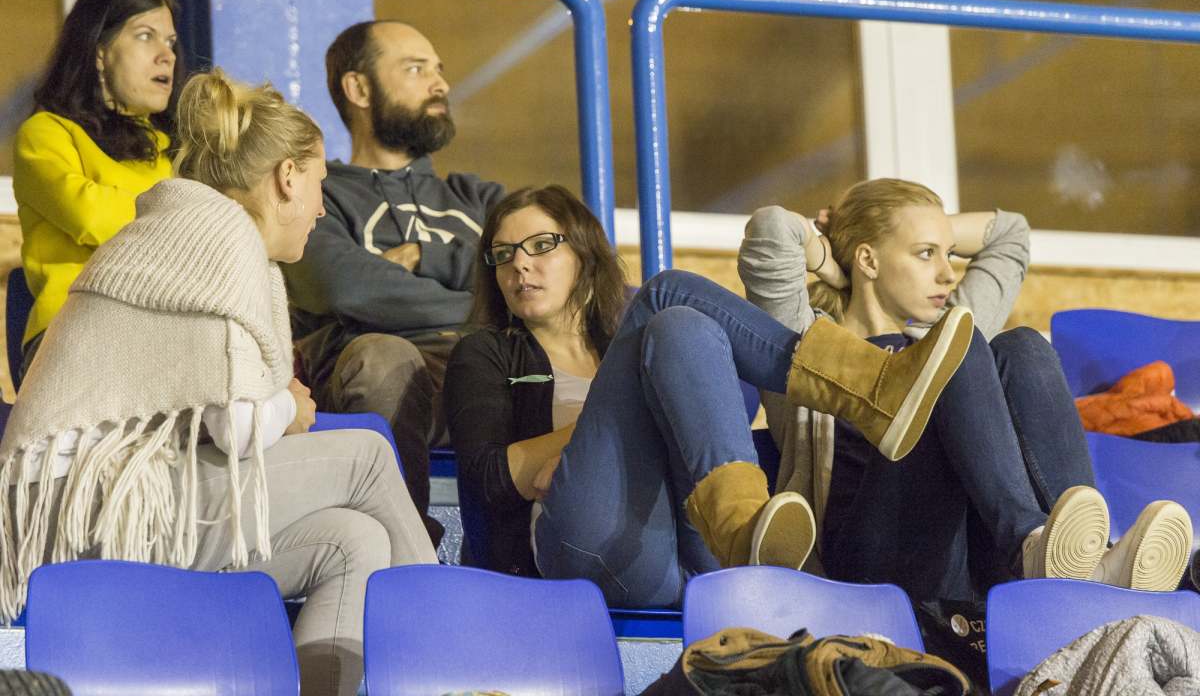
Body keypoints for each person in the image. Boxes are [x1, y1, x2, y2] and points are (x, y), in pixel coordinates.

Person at [0, 70, 437, 696]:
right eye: (319, 185)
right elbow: (235, 425)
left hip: (113, 508)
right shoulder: (221, 235)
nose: (321, 208)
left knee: (353, 540)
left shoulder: (194, 226)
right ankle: (447, 657)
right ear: (287, 177)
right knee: (367, 456)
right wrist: (286, 406)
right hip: (90, 514)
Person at [445, 185, 976, 607]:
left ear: (583, 252)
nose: (520, 265)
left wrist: (592, 436)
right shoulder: (486, 353)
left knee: (677, 322)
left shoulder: (635, 342)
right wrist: (594, 434)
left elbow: (732, 405)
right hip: (587, 550)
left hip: (696, 548)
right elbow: (491, 478)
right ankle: (869, 388)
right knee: (663, 294)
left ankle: (741, 527)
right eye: (502, 254)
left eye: (541, 245)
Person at [739, 179, 1193, 600]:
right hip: (865, 562)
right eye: (925, 254)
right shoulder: (802, 340)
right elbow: (772, 230)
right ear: (868, 260)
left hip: (966, 558)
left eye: (950, 255)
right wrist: (832, 253)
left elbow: (1010, 233)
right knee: (956, 343)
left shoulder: (939, 327)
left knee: (1023, 346)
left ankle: (1086, 559)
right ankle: (1033, 541)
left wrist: (919, 226)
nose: (947, 275)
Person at [283, 21, 505, 544]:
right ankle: (404, 554)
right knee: (384, 355)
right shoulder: (320, 194)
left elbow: (546, 275)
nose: (440, 84)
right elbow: (344, 288)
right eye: (415, 69)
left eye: (439, 70)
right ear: (359, 89)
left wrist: (431, 257)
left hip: (486, 367)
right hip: (383, 377)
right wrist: (487, 296)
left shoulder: (480, 199)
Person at [13, 0, 185, 385]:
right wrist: (178, 222)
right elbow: (91, 216)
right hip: (71, 330)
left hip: (164, 331)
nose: (167, 56)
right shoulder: (46, 133)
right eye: (145, 36)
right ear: (99, 52)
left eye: (171, 42)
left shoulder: (175, 148)